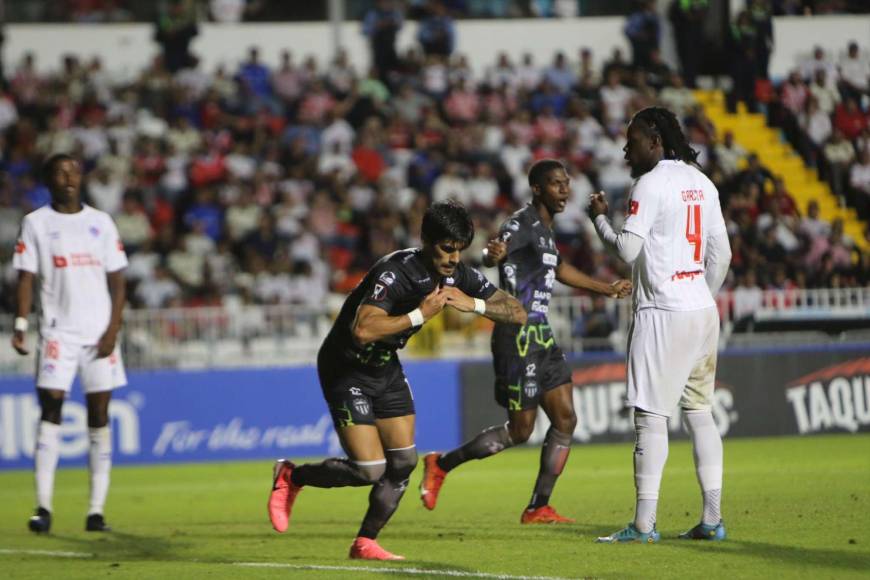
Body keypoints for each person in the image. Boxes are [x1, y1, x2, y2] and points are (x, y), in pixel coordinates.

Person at [267, 201, 527, 560]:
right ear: (426, 240)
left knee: (404, 462)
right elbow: (362, 330)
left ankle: (365, 542)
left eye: (459, 250)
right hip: (346, 367)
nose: (453, 258)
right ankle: (292, 476)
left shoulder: (458, 276)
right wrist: (421, 313)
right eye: (446, 248)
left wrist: (476, 305)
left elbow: (518, 312)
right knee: (369, 469)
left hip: (385, 368)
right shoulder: (396, 272)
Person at [418, 159, 631, 523]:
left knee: (565, 419)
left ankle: (538, 506)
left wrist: (606, 288)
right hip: (516, 334)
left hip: (541, 333)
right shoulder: (520, 223)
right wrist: (492, 255)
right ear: (537, 189)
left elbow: (559, 268)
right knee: (520, 430)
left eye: (566, 183)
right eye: (556, 184)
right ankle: (441, 464)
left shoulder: (546, 232)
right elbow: (493, 251)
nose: (564, 190)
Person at [588, 107, 732, 543]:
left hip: (663, 313)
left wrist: (599, 220)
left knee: (650, 419)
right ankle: (712, 519)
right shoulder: (702, 182)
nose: (625, 150)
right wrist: (699, 293)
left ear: (654, 141)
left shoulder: (649, 184)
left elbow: (627, 250)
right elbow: (722, 255)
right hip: (702, 310)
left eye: (632, 141)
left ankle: (643, 525)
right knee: (700, 414)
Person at [12, 153, 129, 534]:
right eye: (61, 172)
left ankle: (96, 511)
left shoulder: (101, 222)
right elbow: (26, 278)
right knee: (51, 409)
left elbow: (118, 280)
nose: (69, 178)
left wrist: (112, 329)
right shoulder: (36, 223)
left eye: (74, 171)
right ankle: (43, 508)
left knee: (99, 414)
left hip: (98, 334)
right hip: (57, 333)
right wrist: (21, 323)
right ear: (48, 180)